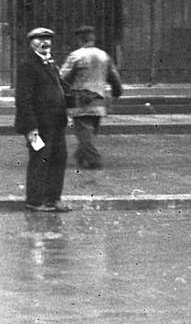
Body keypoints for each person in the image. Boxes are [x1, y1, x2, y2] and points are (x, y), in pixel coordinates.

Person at [14, 26, 70, 211]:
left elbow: (61, 88)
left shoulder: (51, 64)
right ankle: (35, 200)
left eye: (47, 39)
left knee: (58, 158)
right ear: (32, 43)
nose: (45, 43)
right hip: (38, 126)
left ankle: (53, 199)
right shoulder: (27, 65)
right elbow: (23, 99)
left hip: (56, 124)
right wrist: (31, 128)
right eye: (39, 39)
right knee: (40, 159)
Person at [59, 25, 123, 170]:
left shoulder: (76, 56)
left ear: (78, 39)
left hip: (79, 99)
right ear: (93, 38)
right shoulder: (103, 55)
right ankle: (81, 155)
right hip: (99, 99)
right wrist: (117, 91)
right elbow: (114, 77)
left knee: (83, 131)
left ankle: (94, 159)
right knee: (92, 129)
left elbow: (63, 77)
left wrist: (60, 92)